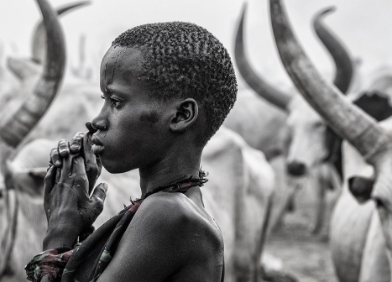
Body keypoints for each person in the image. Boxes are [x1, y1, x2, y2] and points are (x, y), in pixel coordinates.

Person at [25, 21, 237, 282]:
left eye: (116, 102)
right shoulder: (172, 208)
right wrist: (80, 231)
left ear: (182, 115)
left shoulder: (169, 214)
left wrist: (59, 232)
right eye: (104, 100)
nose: (96, 121)